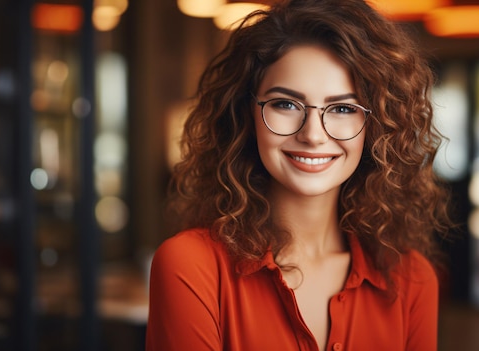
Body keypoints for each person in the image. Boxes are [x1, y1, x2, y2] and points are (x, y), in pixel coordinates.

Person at [146, 0, 451, 350]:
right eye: (286, 104)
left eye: (342, 108)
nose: (313, 134)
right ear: (248, 114)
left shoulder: (412, 279)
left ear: (376, 125)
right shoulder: (190, 266)